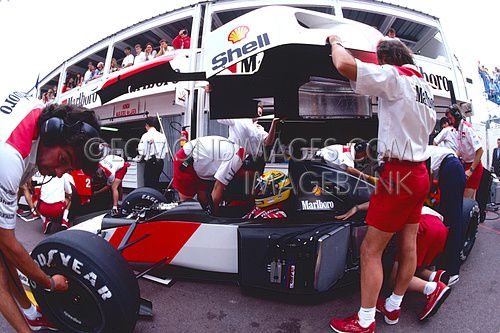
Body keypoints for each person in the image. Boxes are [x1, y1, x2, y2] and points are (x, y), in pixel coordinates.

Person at [326, 35, 436, 333]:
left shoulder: (394, 76)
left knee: (370, 250)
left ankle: (364, 321)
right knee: (408, 243)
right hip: (419, 173)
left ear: (385, 60)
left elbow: (344, 64)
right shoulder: (424, 87)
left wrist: (336, 41)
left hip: (398, 175)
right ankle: (393, 305)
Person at [0, 91, 101, 332]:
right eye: (64, 160)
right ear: (51, 133)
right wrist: (49, 283)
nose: (59, 173)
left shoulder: (45, 117)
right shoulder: (9, 157)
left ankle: (30, 313)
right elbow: (8, 242)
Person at [336, 204, 451, 322]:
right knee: (411, 265)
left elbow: (383, 201)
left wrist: (357, 207)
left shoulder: (395, 190)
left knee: (394, 280)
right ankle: (433, 276)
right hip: (439, 226)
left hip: (421, 226)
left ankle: (431, 288)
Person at [172, 135, 245, 215]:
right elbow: (217, 189)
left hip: (202, 163)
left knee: (204, 201)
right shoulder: (237, 158)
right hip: (186, 160)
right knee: (186, 205)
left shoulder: (240, 151)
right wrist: (215, 217)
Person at [427, 145, 466, 286]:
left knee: (452, 221)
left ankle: (452, 271)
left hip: (451, 170)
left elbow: (429, 175)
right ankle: (448, 261)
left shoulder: (419, 153)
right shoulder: (428, 148)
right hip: (451, 169)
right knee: (451, 218)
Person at [217, 104, 280, 173]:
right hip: (237, 157)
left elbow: (268, 142)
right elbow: (220, 118)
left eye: (260, 113)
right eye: (256, 112)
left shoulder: (259, 129)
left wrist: (274, 124)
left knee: (255, 181)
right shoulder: (238, 120)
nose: (257, 115)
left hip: (256, 161)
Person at [446, 105, 483, 199]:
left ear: (457, 116)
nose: (449, 122)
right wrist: (450, 156)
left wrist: (471, 170)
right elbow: (460, 150)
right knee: (470, 200)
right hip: (466, 165)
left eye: (451, 118)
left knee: (466, 200)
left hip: (474, 166)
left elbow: (480, 150)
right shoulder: (458, 130)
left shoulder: (467, 128)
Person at [135, 117, 167, 190]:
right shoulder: (162, 136)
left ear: (147, 125)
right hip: (160, 163)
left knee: (148, 184)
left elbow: (141, 151)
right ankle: (157, 199)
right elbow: (166, 151)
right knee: (156, 181)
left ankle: (149, 200)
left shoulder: (145, 136)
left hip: (150, 162)